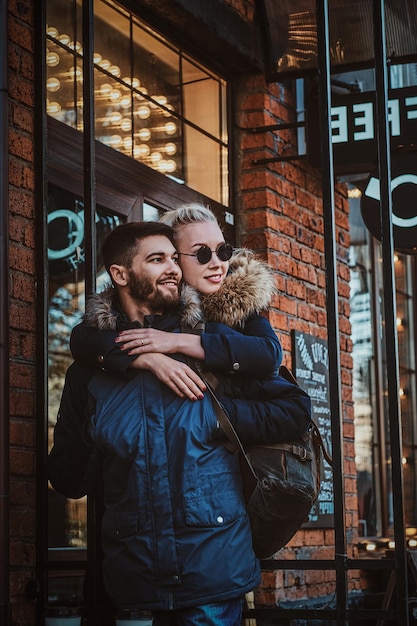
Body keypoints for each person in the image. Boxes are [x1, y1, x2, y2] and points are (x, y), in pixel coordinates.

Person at [48, 221, 311, 625]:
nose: (173, 268)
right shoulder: (93, 367)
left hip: (214, 573)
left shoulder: (212, 341)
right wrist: (95, 430)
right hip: (129, 583)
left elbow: (295, 411)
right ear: (120, 274)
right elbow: (66, 478)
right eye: (158, 259)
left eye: (174, 258)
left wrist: (218, 417)